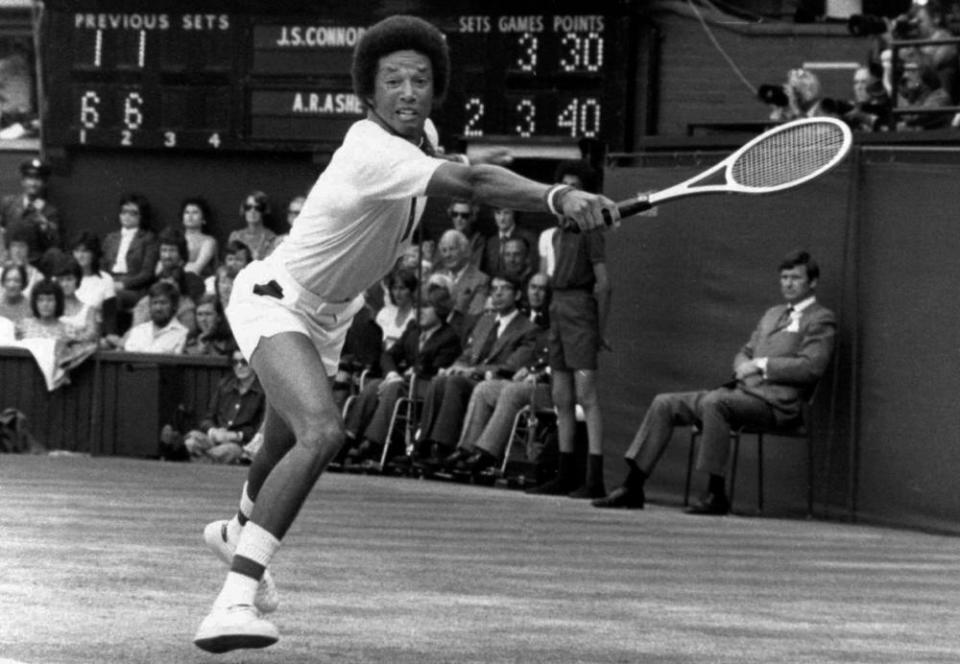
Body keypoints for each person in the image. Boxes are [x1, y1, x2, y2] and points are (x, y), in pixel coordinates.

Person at [192, 14, 614, 654]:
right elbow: (469, 182)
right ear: (370, 95)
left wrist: (473, 164)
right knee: (322, 432)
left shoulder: (424, 140)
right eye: (394, 81)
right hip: (273, 298)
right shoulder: (369, 149)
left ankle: (236, 532)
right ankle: (234, 600)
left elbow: (453, 165)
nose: (409, 91)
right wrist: (558, 196)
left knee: (281, 441)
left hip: (329, 315)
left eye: (420, 79)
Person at [593, 250, 836, 514]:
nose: (788, 283)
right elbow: (746, 350)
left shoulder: (820, 319)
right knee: (665, 403)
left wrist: (762, 365)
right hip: (742, 394)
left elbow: (812, 367)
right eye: (784, 277)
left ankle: (715, 493)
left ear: (812, 283)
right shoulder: (772, 314)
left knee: (715, 403)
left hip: (779, 405)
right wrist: (743, 364)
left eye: (796, 278)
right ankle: (633, 486)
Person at [528, 160, 612, 499]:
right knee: (561, 396)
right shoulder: (559, 232)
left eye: (576, 187)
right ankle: (565, 473)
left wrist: (600, 330)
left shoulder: (591, 231)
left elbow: (604, 285)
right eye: (565, 187)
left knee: (587, 397)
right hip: (558, 308)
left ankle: (595, 479)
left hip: (579, 309)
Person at [409, 274, 537, 472]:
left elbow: (511, 365)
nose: (498, 293)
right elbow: (468, 354)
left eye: (504, 289)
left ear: (518, 294)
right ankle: (424, 444)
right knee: (441, 379)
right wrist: (456, 365)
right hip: (472, 376)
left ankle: (442, 446)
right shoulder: (485, 321)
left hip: (493, 380)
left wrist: (471, 371)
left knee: (454, 382)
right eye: (494, 289)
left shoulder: (528, 328)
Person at [444, 273, 552, 475]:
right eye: (533, 288)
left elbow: (559, 362)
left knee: (511, 391)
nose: (537, 294)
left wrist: (538, 374)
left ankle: (486, 453)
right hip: (525, 379)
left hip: (552, 386)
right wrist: (530, 370)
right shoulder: (498, 320)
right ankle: (467, 449)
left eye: (542, 289)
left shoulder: (549, 323)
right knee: (485, 389)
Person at [342, 285, 460, 467]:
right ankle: (349, 436)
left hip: (426, 386)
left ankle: (373, 443)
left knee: (394, 387)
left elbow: (435, 368)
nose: (420, 311)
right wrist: (392, 373)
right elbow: (388, 355)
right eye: (418, 306)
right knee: (374, 385)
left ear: (440, 309)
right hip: (403, 381)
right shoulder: (413, 330)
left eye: (426, 306)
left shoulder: (449, 337)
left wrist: (405, 375)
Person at [162, 349, 266, 464]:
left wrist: (236, 435)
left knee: (228, 450)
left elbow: (260, 428)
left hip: (239, 444)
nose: (239, 366)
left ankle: (190, 457)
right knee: (192, 438)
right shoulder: (224, 386)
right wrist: (214, 432)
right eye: (235, 362)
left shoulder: (263, 392)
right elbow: (207, 419)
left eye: (244, 362)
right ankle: (195, 456)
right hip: (215, 438)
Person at [101, 193, 159, 334]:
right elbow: (102, 266)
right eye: (124, 212)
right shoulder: (111, 238)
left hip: (134, 289)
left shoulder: (148, 239)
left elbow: (147, 273)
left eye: (133, 213)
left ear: (141, 216)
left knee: (113, 297)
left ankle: (110, 336)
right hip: (109, 282)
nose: (127, 216)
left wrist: (122, 285)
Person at [0, 158, 60, 266]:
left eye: (38, 179)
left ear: (45, 183)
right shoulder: (8, 204)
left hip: (35, 265)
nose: (33, 183)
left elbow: (55, 244)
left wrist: (45, 227)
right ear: (22, 181)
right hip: (7, 263)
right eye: (30, 178)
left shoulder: (50, 212)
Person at [101, 281, 189, 354]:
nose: (158, 308)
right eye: (154, 303)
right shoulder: (138, 330)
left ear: (174, 306)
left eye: (163, 303)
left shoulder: (182, 334)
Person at [432, 228, 489, 325]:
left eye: (452, 249)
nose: (447, 255)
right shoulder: (436, 277)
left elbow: (473, 318)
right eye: (444, 250)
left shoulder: (480, 280)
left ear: (464, 250)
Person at [52, 258, 99, 342]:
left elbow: (91, 335)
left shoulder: (89, 309)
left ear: (77, 280)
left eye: (69, 279)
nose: (64, 284)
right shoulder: (49, 307)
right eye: (61, 280)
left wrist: (71, 339)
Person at [481, 207, 538, 276]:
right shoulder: (491, 242)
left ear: (514, 214)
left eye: (506, 213)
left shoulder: (528, 237)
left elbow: (532, 268)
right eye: (498, 213)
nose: (502, 219)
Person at [70, 231, 116, 313]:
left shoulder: (106, 280)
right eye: (76, 251)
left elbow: (110, 317)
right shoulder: (64, 279)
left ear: (94, 253)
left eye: (85, 251)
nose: (80, 256)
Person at [374, 268, 417, 349]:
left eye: (402, 288)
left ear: (411, 290)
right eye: (395, 288)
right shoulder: (384, 314)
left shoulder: (417, 316)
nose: (397, 293)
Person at [228, 191, 277, 261]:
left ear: (264, 210)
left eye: (258, 208)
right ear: (243, 209)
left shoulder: (271, 238)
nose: (252, 211)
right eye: (248, 207)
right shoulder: (235, 236)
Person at [180, 197, 219, 277]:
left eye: (195, 212)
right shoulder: (176, 238)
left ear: (203, 219)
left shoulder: (209, 241)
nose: (190, 216)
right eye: (187, 212)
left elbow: (197, 268)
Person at [446, 198, 484, 269]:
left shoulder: (478, 241)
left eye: (464, 216)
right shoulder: (446, 238)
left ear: (472, 217)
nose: (459, 219)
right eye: (455, 214)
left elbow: (474, 270)